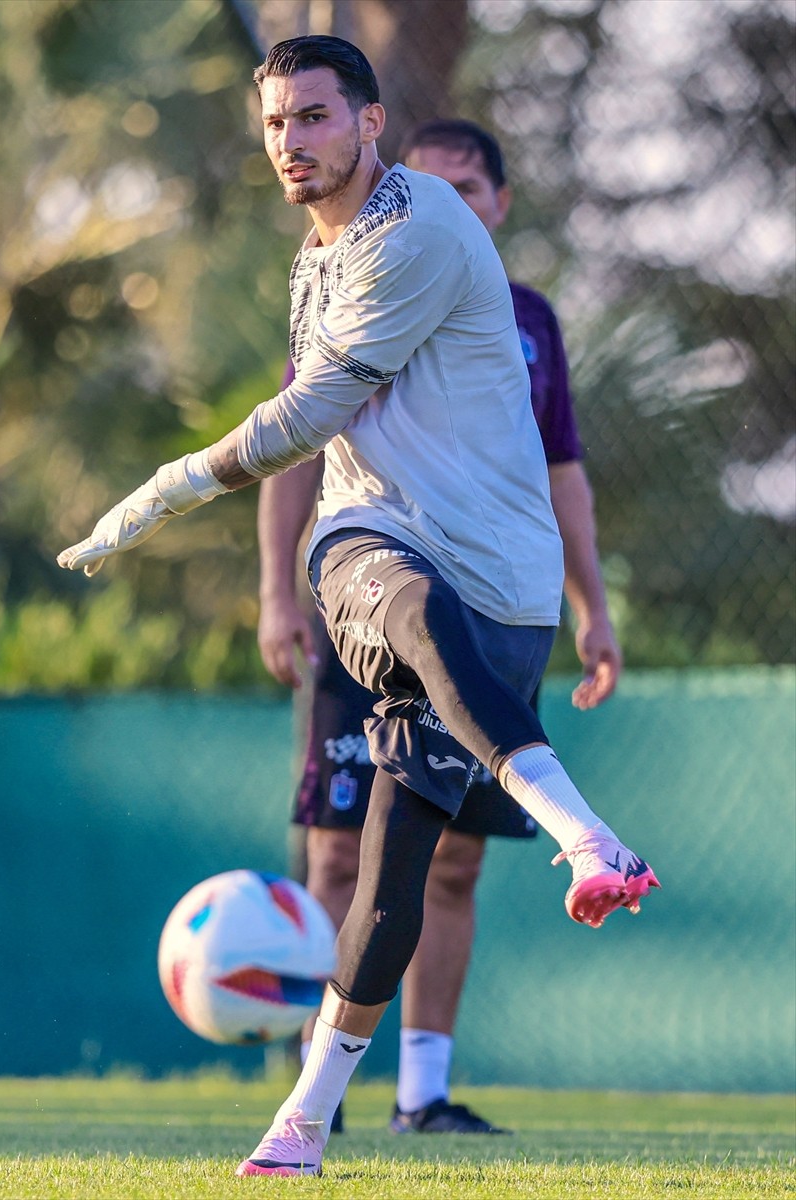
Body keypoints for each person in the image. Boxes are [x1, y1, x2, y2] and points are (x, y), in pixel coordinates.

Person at [57, 36, 660, 1178]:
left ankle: (300, 1121)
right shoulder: (315, 258)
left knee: (395, 874)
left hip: (510, 589)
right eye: (278, 122)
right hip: (370, 542)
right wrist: (273, 575)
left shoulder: (422, 228)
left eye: (316, 118)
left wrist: (157, 493)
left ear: (370, 122)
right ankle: (587, 836)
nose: (292, 142)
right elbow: (316, 446)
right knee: (408, 610)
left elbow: (304, 412)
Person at [256, 116, 623, 1138]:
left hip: (493, 604)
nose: (445, 201)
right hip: (375, 596)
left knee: (444, 858)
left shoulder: (530, 322)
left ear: (498, 205)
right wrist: (278, 593)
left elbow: (562, 476)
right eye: (429, 182)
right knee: (339, 856)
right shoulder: (351, 283)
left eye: (469, 186)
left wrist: (593, 611)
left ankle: (416, 1095)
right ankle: (314, 1094)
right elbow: (290, 436)